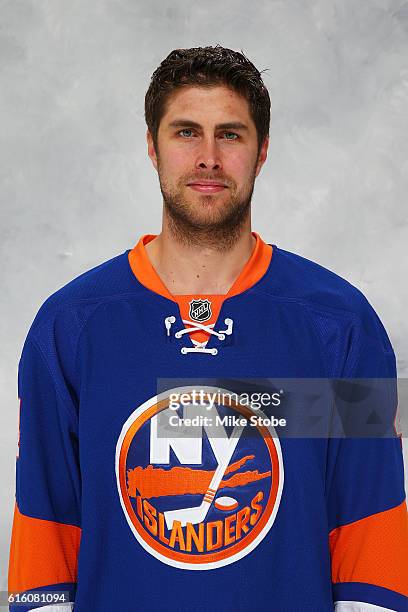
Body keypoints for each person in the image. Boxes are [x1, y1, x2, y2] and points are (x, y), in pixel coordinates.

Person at [8, 45, 408, 612]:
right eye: (186, 132)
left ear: (261, 151)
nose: (208, 158)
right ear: (153, 148)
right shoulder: (71, 327)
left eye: (231, 134)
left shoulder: (340, 327)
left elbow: (372, 552)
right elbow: (45, 545)